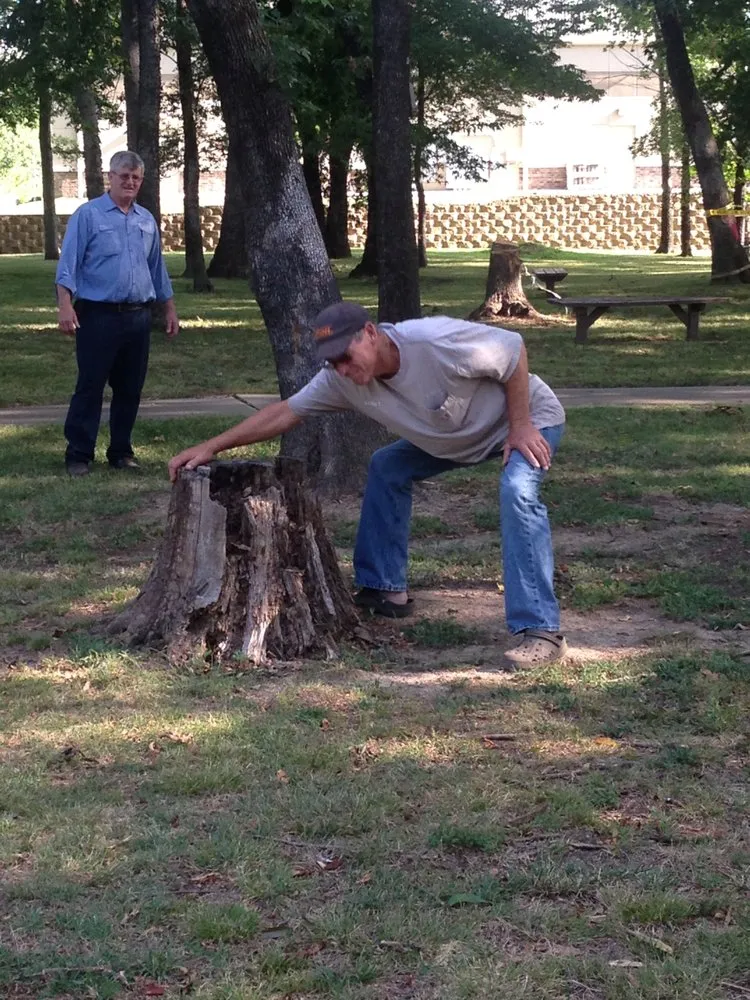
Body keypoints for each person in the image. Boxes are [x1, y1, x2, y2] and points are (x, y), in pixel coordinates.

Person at [168, 302, 567, 668]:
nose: (341, 368)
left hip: (524, 424)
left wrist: (520, 425)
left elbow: (512, 349)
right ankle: (383, 589)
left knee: (518, 490)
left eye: (346, 354)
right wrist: (210, 446)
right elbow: (283, 413)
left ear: (371, 333)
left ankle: (541, 631)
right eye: (332, 360)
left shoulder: (434, 340)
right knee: (387, 466)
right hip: (454, 439)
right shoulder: (341, 382)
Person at [55, 150, 179, 477]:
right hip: (97, 315)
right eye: (124, 176)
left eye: (136, 177)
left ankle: (121, 451)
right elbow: (68, 265)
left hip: (137, 317)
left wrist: (169, 308)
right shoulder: (88, 216)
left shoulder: (146, 220)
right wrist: (65, 306)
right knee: (91, 385)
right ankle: (79, 453)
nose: (130, 182)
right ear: (110, 177)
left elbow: (157, 268)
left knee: (130, 388)